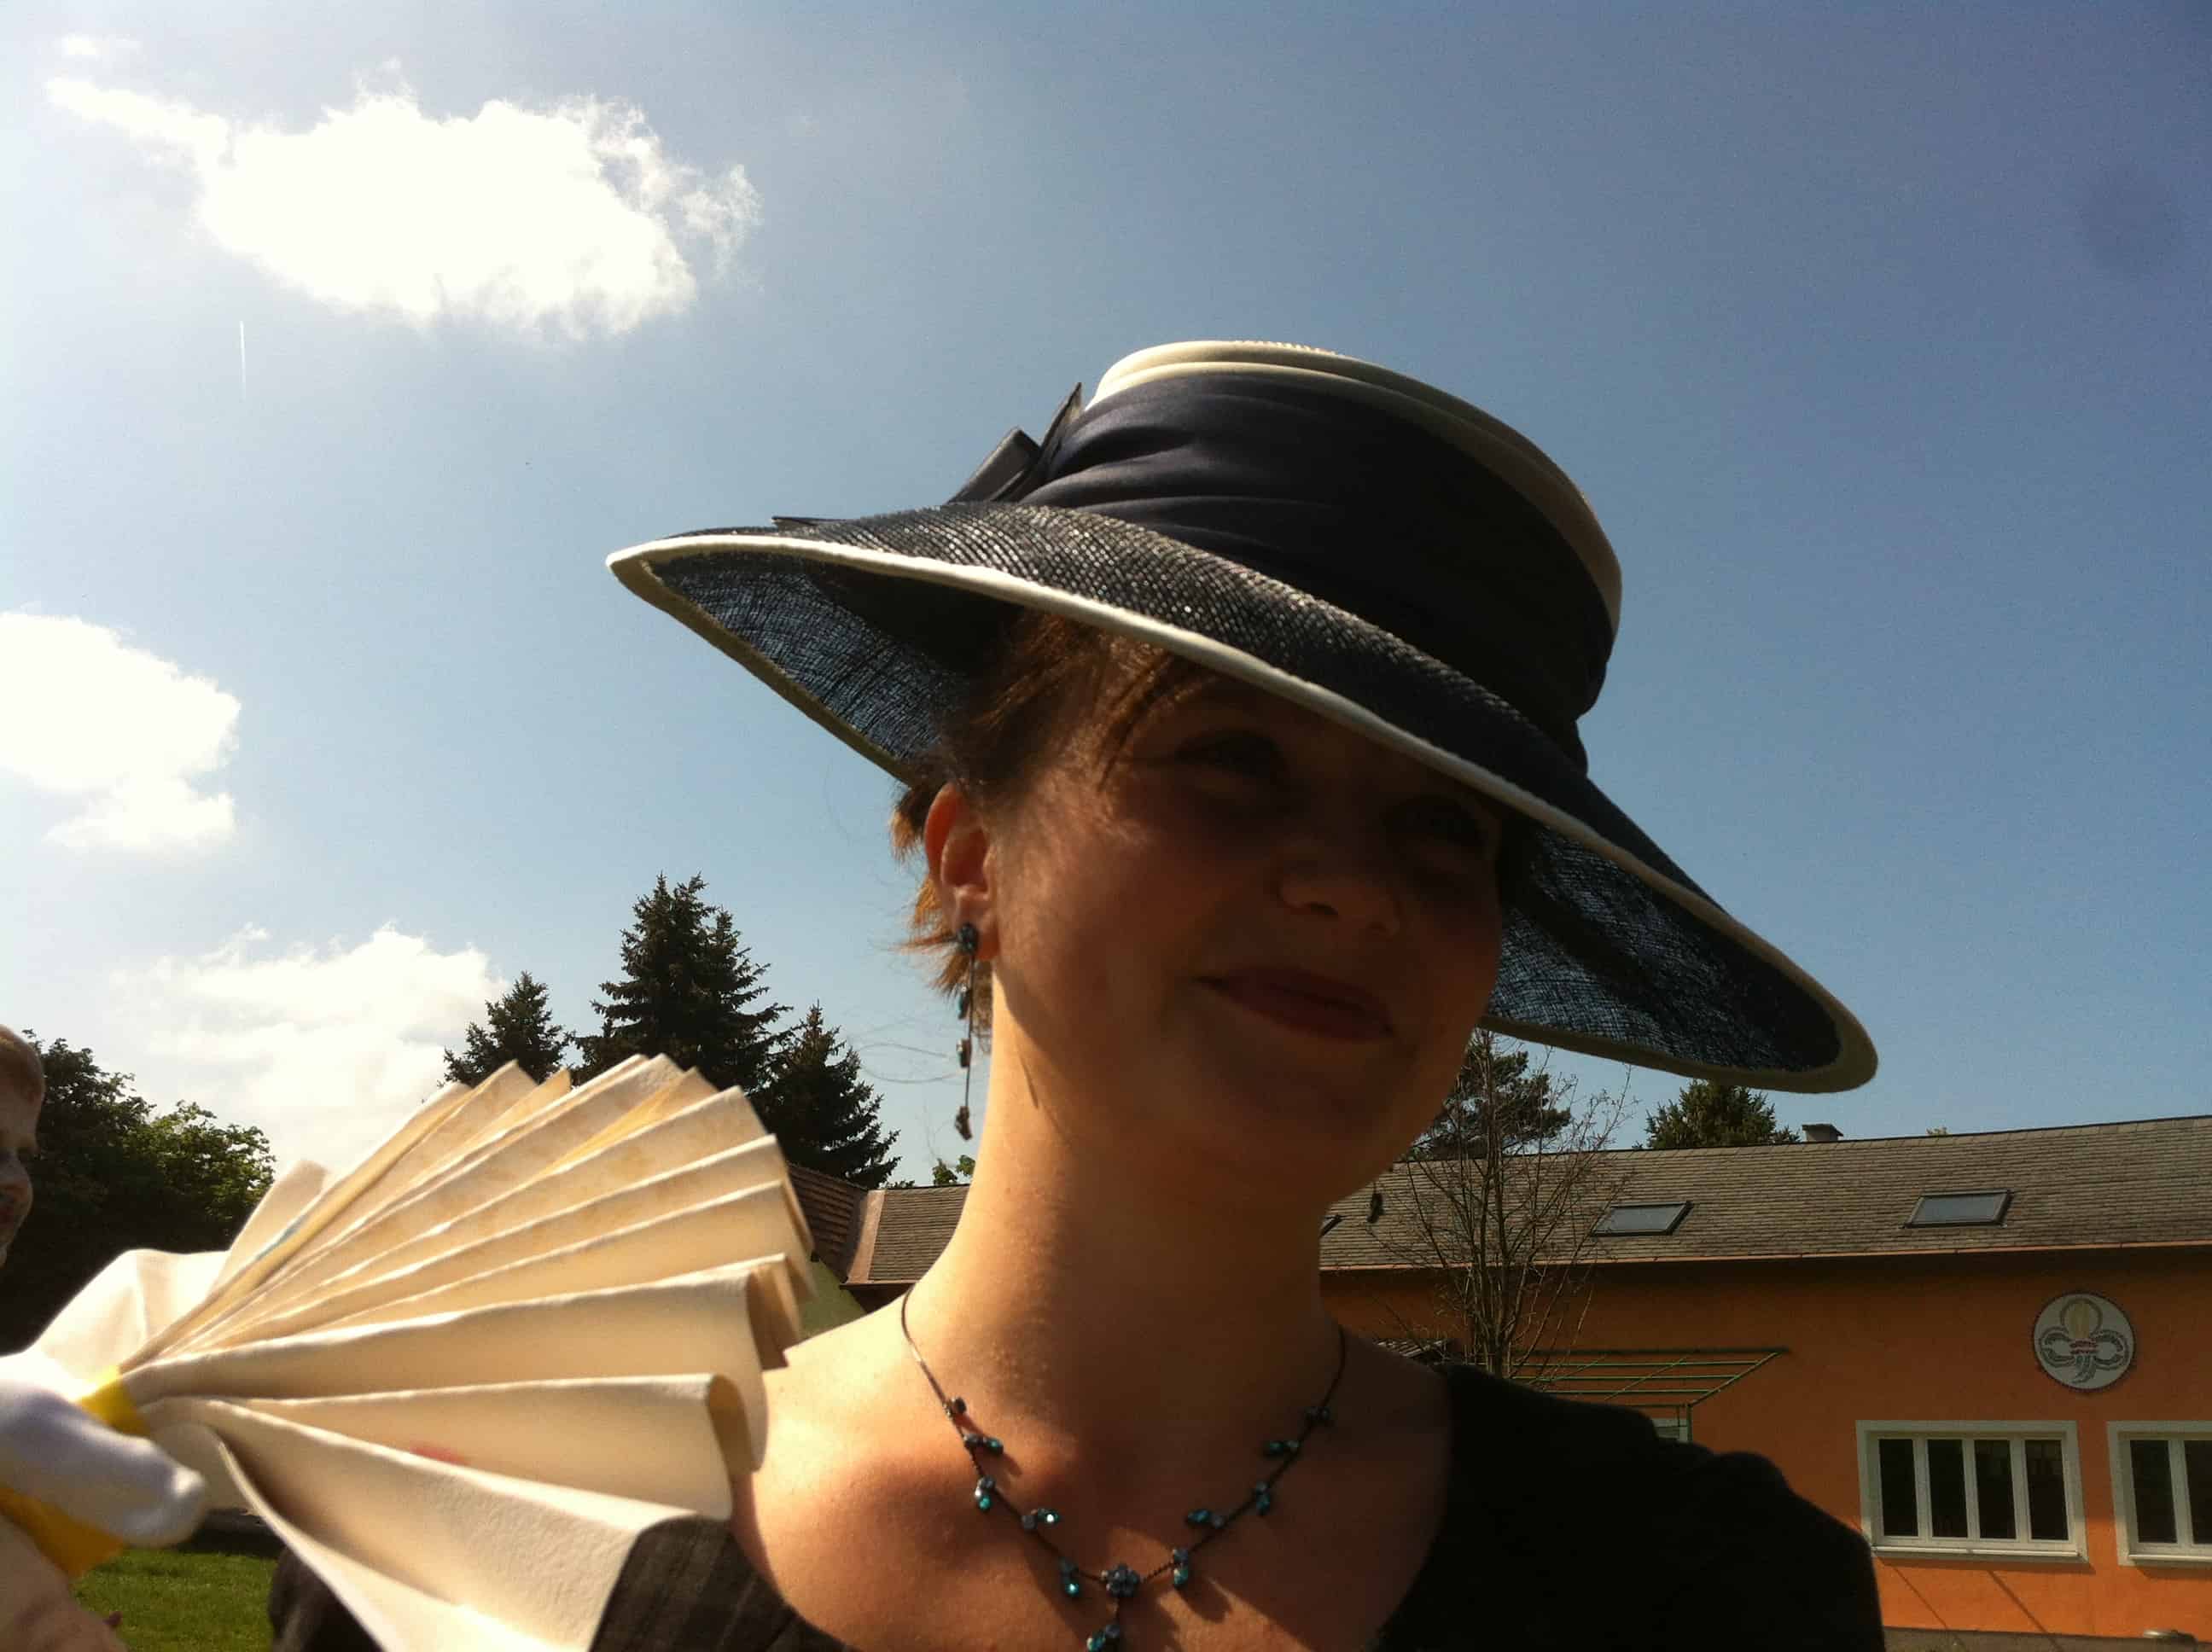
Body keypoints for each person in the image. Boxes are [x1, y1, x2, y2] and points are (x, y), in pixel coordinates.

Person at [274, 340, 1883, 1649]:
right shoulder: (494, 1534)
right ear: (972, 853)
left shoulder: (1700, 1595)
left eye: (1446, 830)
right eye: (1231, 757)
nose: (1354, 885)